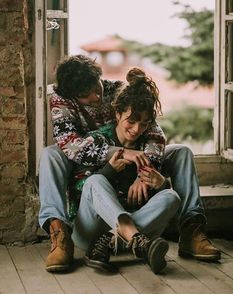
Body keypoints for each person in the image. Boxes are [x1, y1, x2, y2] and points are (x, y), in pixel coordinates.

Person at [39, 54, 220, 273]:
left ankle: (190, 229)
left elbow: (152, 130)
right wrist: (122, 154)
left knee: (181, 152)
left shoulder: (117, 92)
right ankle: (59, 232)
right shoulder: (61, 99)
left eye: (97, 88)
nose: (96, 97)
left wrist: (145, 171)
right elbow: (71, 145)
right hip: (89, 164)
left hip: (133, 158)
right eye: (86, 96)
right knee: (51, 154)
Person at [72, 67, 181, 274]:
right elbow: (78, 190)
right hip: (88, 230)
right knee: (95, 181)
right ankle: (135, 239)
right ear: (117, 113)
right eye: (131, 121)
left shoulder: (148, 147)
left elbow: (156, 196)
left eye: (144, 123)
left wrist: (161, 184)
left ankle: (121, 239)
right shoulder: (97, 140)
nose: (136, 129)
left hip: (117, 237)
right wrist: (109, 170)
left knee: (171, 196)